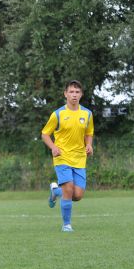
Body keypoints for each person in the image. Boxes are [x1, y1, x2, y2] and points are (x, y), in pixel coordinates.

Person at [41, 80, 94, 232]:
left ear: (81, 94)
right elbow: (45, 134)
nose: (74, 95)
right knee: (69, 189)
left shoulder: (87, 114)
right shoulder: (58, 114)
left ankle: (55, 191)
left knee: (77, 195)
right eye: (71, 92)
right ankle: (67, 225)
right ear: (65, 94)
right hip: (62, 157)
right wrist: (53, 147)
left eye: (77, 92)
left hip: (79, 158)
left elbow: (89, 132)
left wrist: (89, 145)